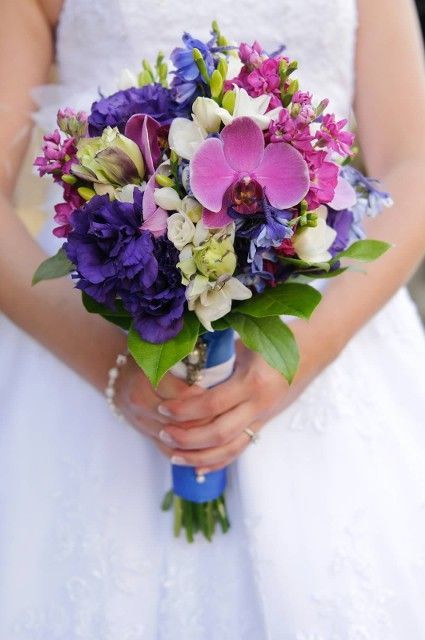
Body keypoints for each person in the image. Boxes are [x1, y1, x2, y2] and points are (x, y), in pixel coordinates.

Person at [1, 0, 425, 637]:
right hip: (99, 323)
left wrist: (306, 349)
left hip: (331, 326)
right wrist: (114, 367)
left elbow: (414, 165)